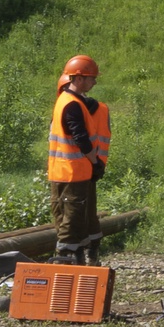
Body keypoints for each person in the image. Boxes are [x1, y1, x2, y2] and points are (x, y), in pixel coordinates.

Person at [47, 54, 110, 265]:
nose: (94, 82)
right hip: (72, 172)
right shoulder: (72, 104)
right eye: (92, 78)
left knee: (75, 215)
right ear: (79, 78)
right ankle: (63, 261)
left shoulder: (67, 101)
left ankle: (79, 259)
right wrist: (95, 162)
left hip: (65, 171)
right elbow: (81, 139)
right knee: (71, 218)